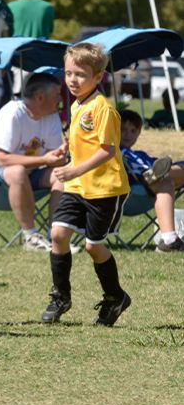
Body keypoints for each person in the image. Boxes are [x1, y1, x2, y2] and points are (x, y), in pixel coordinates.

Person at [42, 42, 131, 327]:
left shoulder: (102, 108)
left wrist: (73, 169)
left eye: (80, 74)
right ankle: (61, 297)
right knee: (58, 235)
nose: (72, 80)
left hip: (105, 189)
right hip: (78, 186)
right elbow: (84, 141)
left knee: (94, 247)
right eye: (68, 73)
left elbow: (106, 150)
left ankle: (115, 296)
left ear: (98, 76)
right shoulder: (78, 103)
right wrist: (65, 150)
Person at [0, 72, 68, 251]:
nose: (61, 99)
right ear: (40, 97)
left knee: (62, 174)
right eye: (57, 95)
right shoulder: (13, 113)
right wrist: (43, 159)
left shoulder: (51, 116)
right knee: (17, 171)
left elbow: (51, 158)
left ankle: (56, 236)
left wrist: (60, 155)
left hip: (30, 173)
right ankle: (30, 237)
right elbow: (2, 159)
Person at [120, 109, 184, 251]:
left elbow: (162, 165)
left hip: (151, 187)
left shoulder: (140, 155)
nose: (127, 134)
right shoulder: (111, 150)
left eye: (132, 131)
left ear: (138, 133)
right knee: (163, 178)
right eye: (123, 129)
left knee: (167, 181)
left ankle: (168, 239)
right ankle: (151, 176)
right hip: (131, 190)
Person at [8, 0, 55, 96]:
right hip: (40, 58)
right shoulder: (47, 7)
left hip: (18, 58)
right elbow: (49, 30)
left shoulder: (11, 7)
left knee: (18, 95)